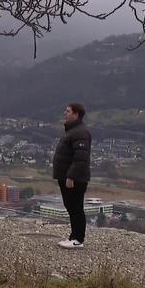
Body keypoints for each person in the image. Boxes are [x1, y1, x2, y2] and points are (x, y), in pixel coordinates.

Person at [53, 103, 91, 249]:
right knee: (71, 206)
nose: (65, 113)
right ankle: (74, 237)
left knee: (75, 207)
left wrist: (71, 177)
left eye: (68, 111)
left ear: (76, 114)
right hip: (68, 177)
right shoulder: (73, 131)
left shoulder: (80, 133)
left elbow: (80, 158)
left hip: (74, 179)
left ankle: (77, 239)